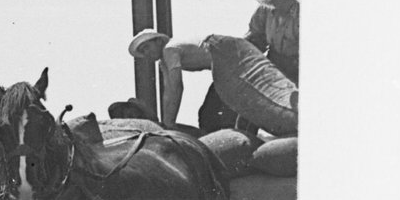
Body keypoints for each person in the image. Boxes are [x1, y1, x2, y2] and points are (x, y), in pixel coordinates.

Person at [128, 28, 298, 137]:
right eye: (142, 52)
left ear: (158, 41)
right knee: (218, 110)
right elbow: (168, 92)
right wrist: (167, 123)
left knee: (255, 97)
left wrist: (169, 125)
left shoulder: (169, 50)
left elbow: (177, 87)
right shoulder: (163, 62)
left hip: (226, 50)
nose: (146, 54)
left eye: (147, 47)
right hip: (225, 55)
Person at [246, 0, 300, 82]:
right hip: (272, 62)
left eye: (282, 1)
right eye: (274, 2)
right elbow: (255, 36)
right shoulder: (265, 9)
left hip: (296, 67)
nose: (277, 5)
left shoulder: (302, 15)